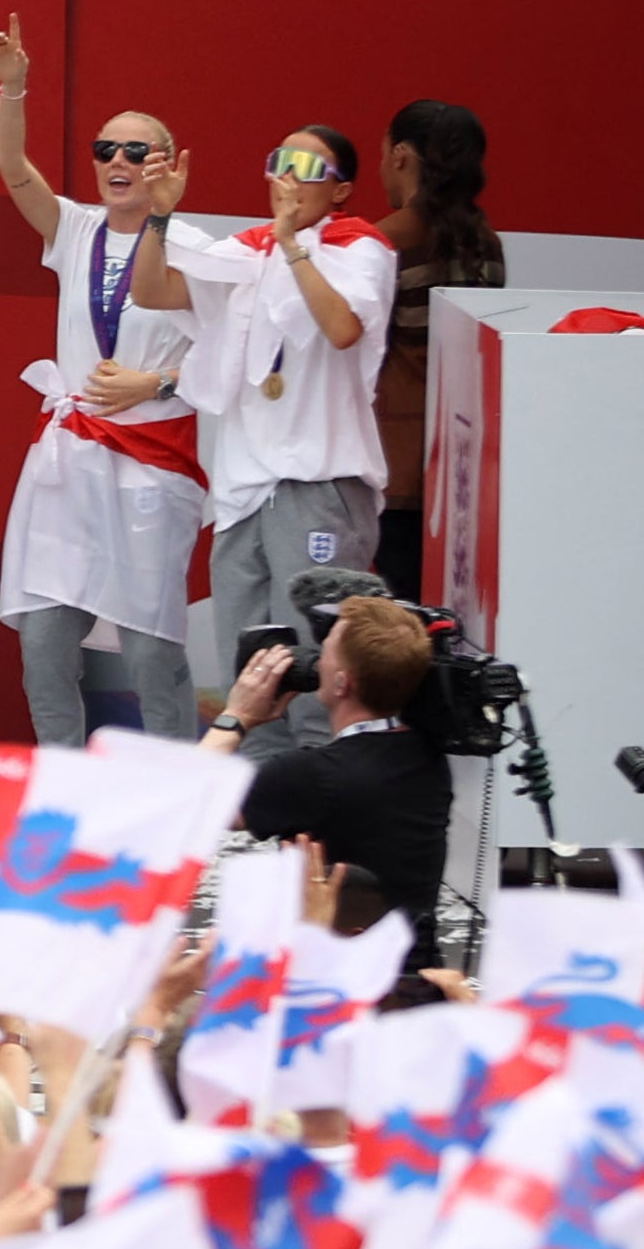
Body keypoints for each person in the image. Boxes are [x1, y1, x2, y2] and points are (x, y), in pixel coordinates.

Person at [0, 15, 202, 746]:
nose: (116, 160)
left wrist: (157, 383)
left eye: (134, 151)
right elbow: (13, 170)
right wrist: (14, 89)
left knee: (148, 650)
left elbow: (232, 357)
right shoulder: (74, 228)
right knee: (43, 643)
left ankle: (175, 804)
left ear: (167, 164)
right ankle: (63, 794)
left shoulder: (197, 248)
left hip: (148, 467)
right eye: (105, 148)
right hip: (67, 461)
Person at [168, 120, 399, 752]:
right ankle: (264, 820)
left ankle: (320, 828)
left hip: (319, 482)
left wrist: (296, 244)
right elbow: (157, 289)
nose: (289, 176)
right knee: (252, 673)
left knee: (319, 668)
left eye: (308, 165)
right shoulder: (248, 249)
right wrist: (157, 219)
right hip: (246, 486)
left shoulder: (360, 247)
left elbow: (343, 327)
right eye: (281, 160)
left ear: (343, 190)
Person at [204, 591, 449, 950]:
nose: (314, 660)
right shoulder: (427, 755)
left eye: (326, 651)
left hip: (335, 980)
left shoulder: (311, 776)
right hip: (413, 971)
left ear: (341, 683)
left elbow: (194, 797)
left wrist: (237, 716)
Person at [375, 95, 502, 591]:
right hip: (470, 459)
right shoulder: (485, 243)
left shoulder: (383, 241)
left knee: (402, 609)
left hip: (399, 464)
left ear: (402, 155)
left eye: (385, 153)